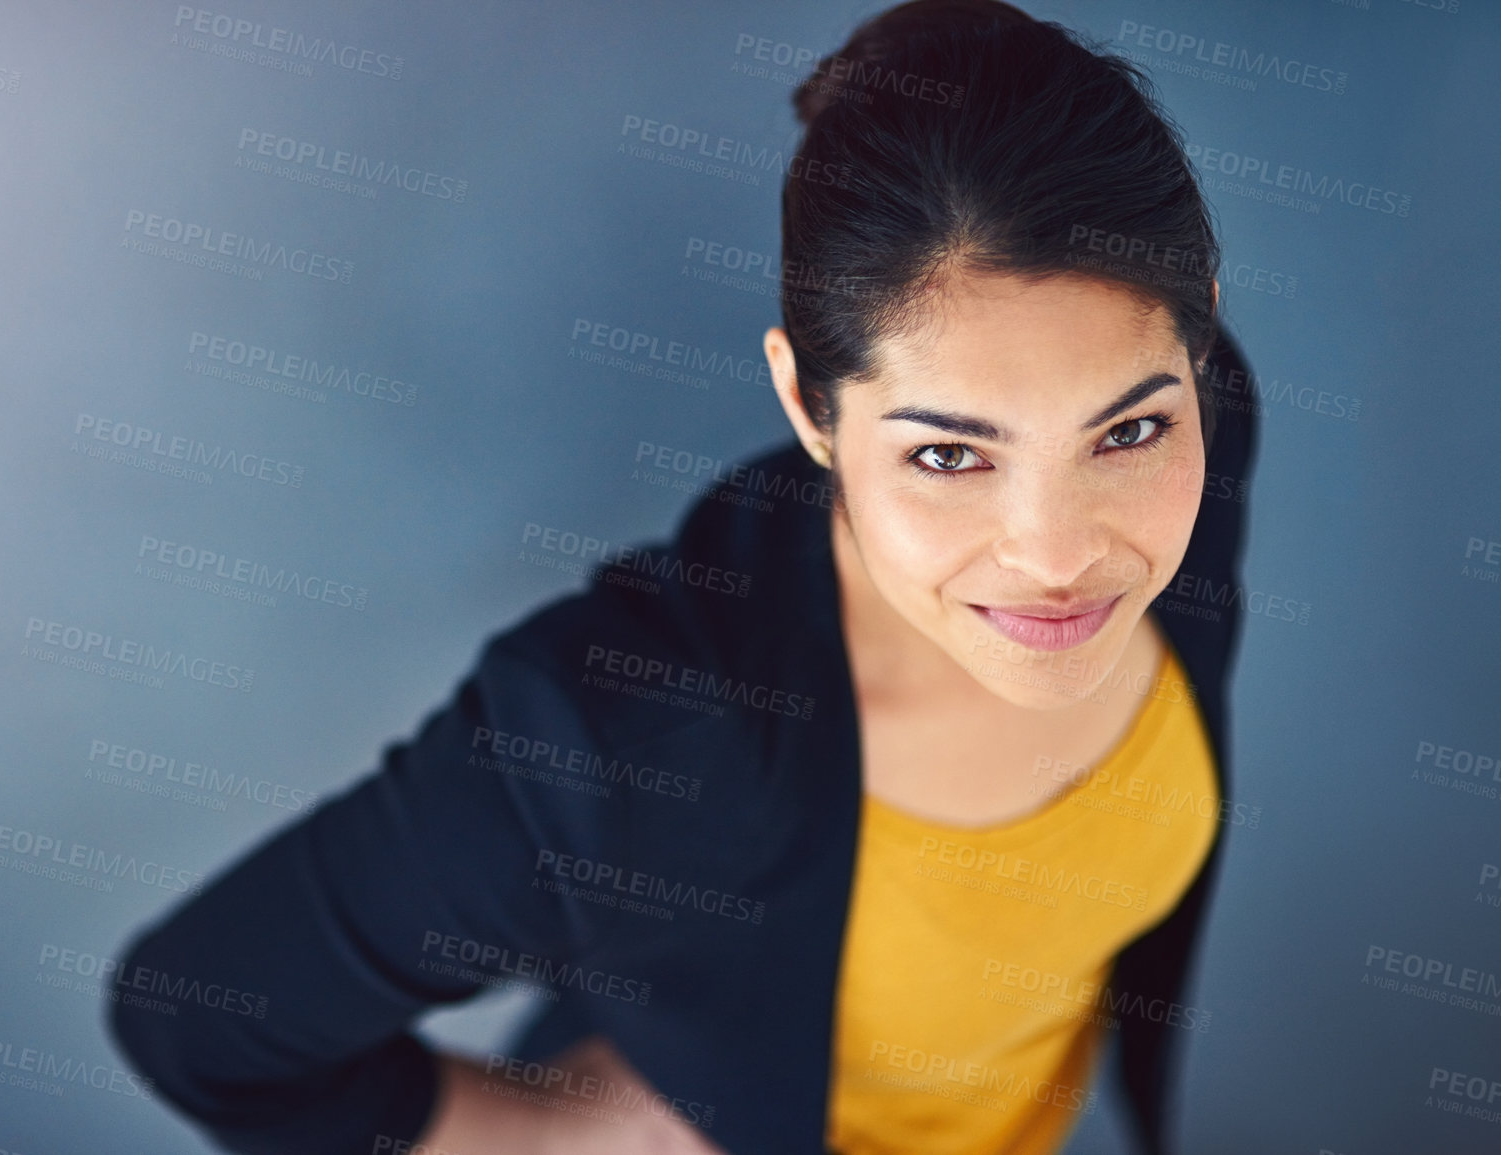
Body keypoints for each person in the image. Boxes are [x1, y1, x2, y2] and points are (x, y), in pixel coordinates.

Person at [109, 3, 1259, 1153]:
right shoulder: (627, 734)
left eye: (1123, 436)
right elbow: (197, 1018)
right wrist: (559, 1138)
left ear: (1198, 345)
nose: (1059, 556)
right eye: (949, 455)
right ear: (807, 405)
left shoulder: (1206, 427)